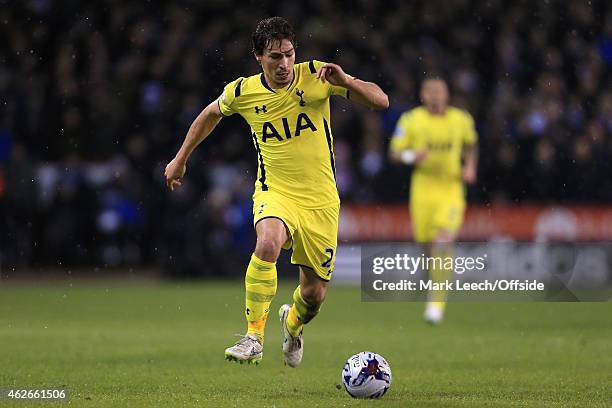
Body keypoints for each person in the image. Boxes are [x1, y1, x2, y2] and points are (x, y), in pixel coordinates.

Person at [165, 17, 388, 366]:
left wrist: (347, 82)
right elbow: (209, 115)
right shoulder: (243, 91)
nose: (284, 64)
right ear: (258, 57)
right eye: (274, 57)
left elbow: (381, 101)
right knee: (267, 242)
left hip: (321, 200)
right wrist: (180, 159)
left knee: (314, 295)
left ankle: (293, 325)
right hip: (275, 190)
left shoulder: (317, 75)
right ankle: (253, 336)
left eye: (288, 54)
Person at [389, 75, 478, 324]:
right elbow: (394, 153)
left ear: (447, 94)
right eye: (432, 92)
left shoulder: (461, 119)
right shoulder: (411, 120)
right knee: (427, 249)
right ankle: (434, 280)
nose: (437, 96)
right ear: (423, 95)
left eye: (441, 91)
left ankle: (436, 304)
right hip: (423, 189)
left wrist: (470, 166)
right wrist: (410, 156)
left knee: (443, 241)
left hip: (450, 188)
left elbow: (471, 145)